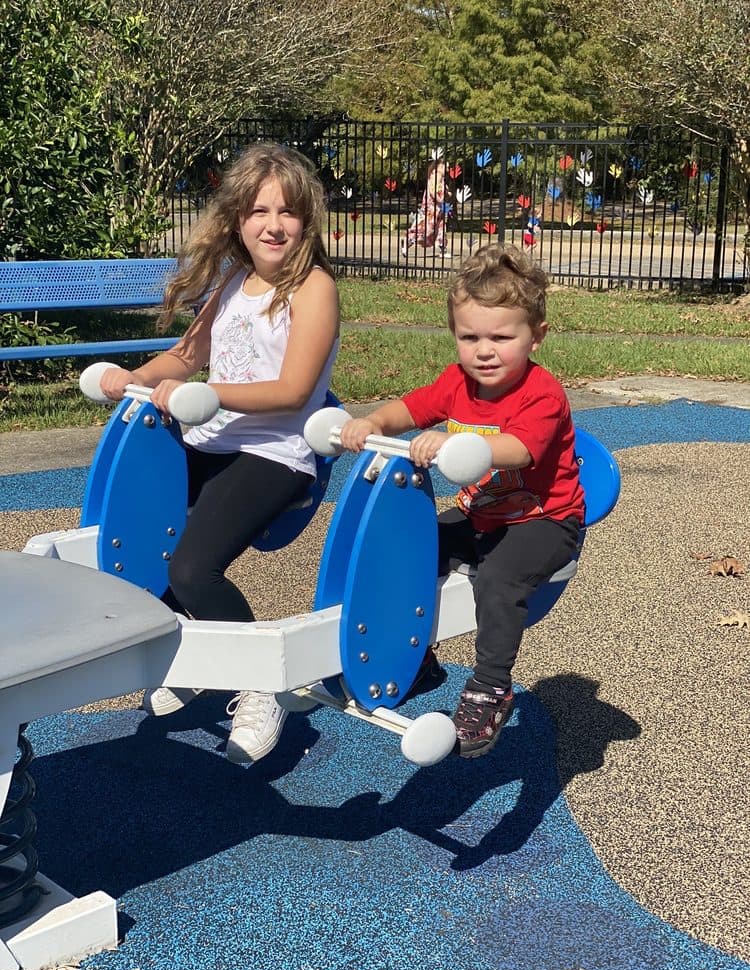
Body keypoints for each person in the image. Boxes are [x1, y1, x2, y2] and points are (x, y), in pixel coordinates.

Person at [99, 143, 340, 764]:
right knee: (142, 543)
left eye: (287, 212)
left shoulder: (313, 289)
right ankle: (201, 649)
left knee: (190, 570)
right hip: (211, 437)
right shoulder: (234, 282)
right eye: (259, 211)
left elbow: (291, 392)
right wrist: (134, 378)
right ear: (238, 220)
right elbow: (186, 356)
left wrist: (202, 394)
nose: (273, 225)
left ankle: (258, 681)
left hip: (277, 452)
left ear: (306, 221)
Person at [339, 244, 584, 759]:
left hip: (545, 518)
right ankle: (416, 658)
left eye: (501, 336)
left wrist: (455, 444)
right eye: (469, 337)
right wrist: (375, 422)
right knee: (411, 549)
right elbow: (412, 406)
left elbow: (518, 448)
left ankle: (492, 687)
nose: (484, 350)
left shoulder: (542, 394)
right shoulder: (457, 382)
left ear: (536, 336)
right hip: (484, 513)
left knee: (498, 579)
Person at [401, 159, 450, 258]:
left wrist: (447, 194)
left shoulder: (441, 179)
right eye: (446, 167)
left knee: (440, 229)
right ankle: (408, 241)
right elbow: (432, 191)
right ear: (439, 167)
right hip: (431, 209)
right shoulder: (435, 176)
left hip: (438, 208)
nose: (448, 169)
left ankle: (442, 249)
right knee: (425, 230)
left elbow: (443, 192)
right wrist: (440, 199)